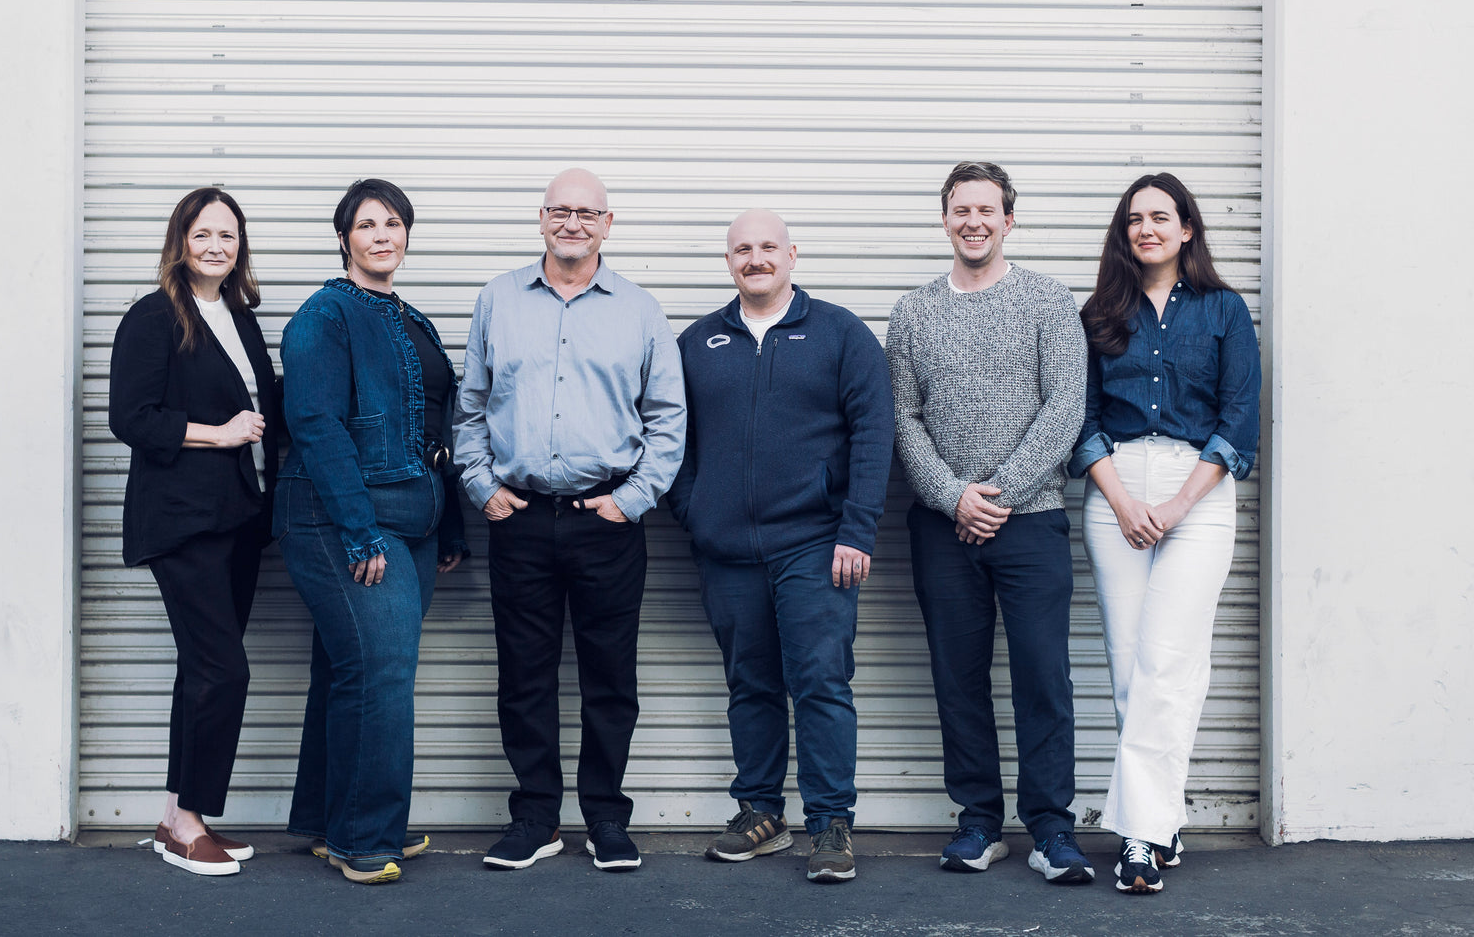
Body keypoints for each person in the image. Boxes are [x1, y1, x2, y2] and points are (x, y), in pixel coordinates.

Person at [453, 168, 686, 873]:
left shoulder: (640, 311)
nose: (572, 223)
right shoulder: (497, 300)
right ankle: (535, 818)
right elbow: (470, 409)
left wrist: (632, 499)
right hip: (519, 519)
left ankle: (606, 819)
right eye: (560, 210)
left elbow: (668, 420)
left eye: (587, 212)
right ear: (542, 217)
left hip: (606, 521)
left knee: (609, 678)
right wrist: (481, 486)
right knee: (523, 677)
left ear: (607, 224)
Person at [667, 209, 894, 883]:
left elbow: (874, 432)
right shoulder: (697, 342)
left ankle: (830, 823)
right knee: (750, 684)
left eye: (769, 247)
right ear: (728, 260)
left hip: (816, 544)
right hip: (727, 550)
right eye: (743, 249)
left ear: (792, 255)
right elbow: (672, 437)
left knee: (820, 680)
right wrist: (696, 512)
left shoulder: (840, 333)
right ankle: (761, 813)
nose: (756, 258)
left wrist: (856, 529)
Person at [886, 161, 1094, 883]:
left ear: (1009, 219)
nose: (973, 222)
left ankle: (1051, 829)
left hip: (1031, 522)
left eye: (986, 210)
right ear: (944, 219)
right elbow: (903, 417)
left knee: (1044, 678)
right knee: (958, 678)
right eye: (960, 210)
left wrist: (997, 495)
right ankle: (978, 821)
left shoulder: (1048, 301)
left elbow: (1065, 407)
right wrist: (954, 497)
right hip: (942, 528)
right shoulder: (913, 313)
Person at [1069, 173, 1260, 894]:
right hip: (1115, 489)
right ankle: (1160, 819)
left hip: (1198, 491)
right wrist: (1122, 501)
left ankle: (1140, 840)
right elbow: (1083, 421)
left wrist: (1177, 505)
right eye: (1134, 219)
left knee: (1168, 663)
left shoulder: (1224, 310)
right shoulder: (1099, 313)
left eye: (1160, 216)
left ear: (1187, 229)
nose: (1146, 228)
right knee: (1129, 666)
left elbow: (1239, 420)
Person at [276, 178, 468, 885]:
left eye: (393, 223)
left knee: (348, 669)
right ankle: (364, 839)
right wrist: (360, 532)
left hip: (414, 520)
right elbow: (316, 425)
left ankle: (334, 822)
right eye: (366, 224)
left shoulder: (411, 318)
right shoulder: (324, 315)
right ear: (344, 238)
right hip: (342, 519)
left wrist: (449, 524)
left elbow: (434, 432)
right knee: (381, 671)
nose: (382, 235)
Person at [109, 187, 279, 877]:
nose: (216, 246)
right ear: (180, 241)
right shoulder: (153, 316)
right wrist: (219, 433)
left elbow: (266, 410)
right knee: (223, 669)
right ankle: (187, 823)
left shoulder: (239, 318)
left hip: (239, 520)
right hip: (182, 522)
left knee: (202, 670)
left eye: (228, 235)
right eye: (203, 233)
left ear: (241, 248)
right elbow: (131, 417)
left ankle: (177, 814)